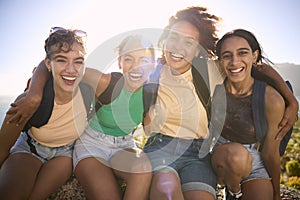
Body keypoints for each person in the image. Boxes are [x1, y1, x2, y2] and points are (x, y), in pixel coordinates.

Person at [142, 6, 298, 200]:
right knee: (168, 189)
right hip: (160, 148)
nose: (178, 47)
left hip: (196, 155)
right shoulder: (151, 74)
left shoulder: (208, 70)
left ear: (198, 49)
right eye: (173, 37)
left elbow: (259, 67)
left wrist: (292, 102)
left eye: (189, 42)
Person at [6, 34, 155, 199]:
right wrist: (34, 94)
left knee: (143, 169)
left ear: (154, 65)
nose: (136, 66)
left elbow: (149, 129)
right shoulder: (105, 82)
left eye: (144, 60)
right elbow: (51, 64)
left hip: (122, 145)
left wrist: (154, 108)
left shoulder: (151, 93)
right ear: (120, 62)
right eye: (129, 59)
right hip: (92, 144)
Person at [0, 27, 91, 199]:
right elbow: (2, 148)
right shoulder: (29, 102)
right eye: (62, 60)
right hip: (31, 148)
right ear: (49, 64)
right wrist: (34, 94)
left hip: (64, 155)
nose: (71, 69)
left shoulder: (91, 93)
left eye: (78, 61)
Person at [210, 29, 288, 200]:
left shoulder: (271, 99)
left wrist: (276, 194)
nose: (234, 61)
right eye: (227, 55)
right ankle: (233, 190)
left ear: (254, 56)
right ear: (220, 61)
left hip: (254, 158)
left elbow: (270, 151)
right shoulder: (215, 80)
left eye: (242, 53)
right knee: (235, 154)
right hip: (221, 155)